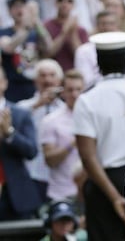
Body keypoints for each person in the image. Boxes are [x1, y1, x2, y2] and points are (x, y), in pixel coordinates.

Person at [73, 32, 125, 241]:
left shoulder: (87, 100)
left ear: (98, 63)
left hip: (104, 186)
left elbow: (88, 159)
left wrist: (115, 198)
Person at [17, 59, 65, 204]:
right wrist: (38, 105)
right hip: (31, 172)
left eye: (52, 75)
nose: (47, 80)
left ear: (59, 80)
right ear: (35, 80)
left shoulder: (66, 109)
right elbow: (12, 127)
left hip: (59, 176)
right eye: (42, 75)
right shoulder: (23, 107)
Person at [0, 67, 41, 221]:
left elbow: (32, 151)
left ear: (4, 83)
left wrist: (10, 133)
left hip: (15, 195)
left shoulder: (19, 113)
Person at [39, 70, 85, 202]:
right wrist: (74, 142)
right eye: (70, 90)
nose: (75, 94)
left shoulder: (96, 118)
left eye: (78, 89)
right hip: (61, 192)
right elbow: (50, 160)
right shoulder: (50, 120)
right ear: (63, 92)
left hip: (89, 192)